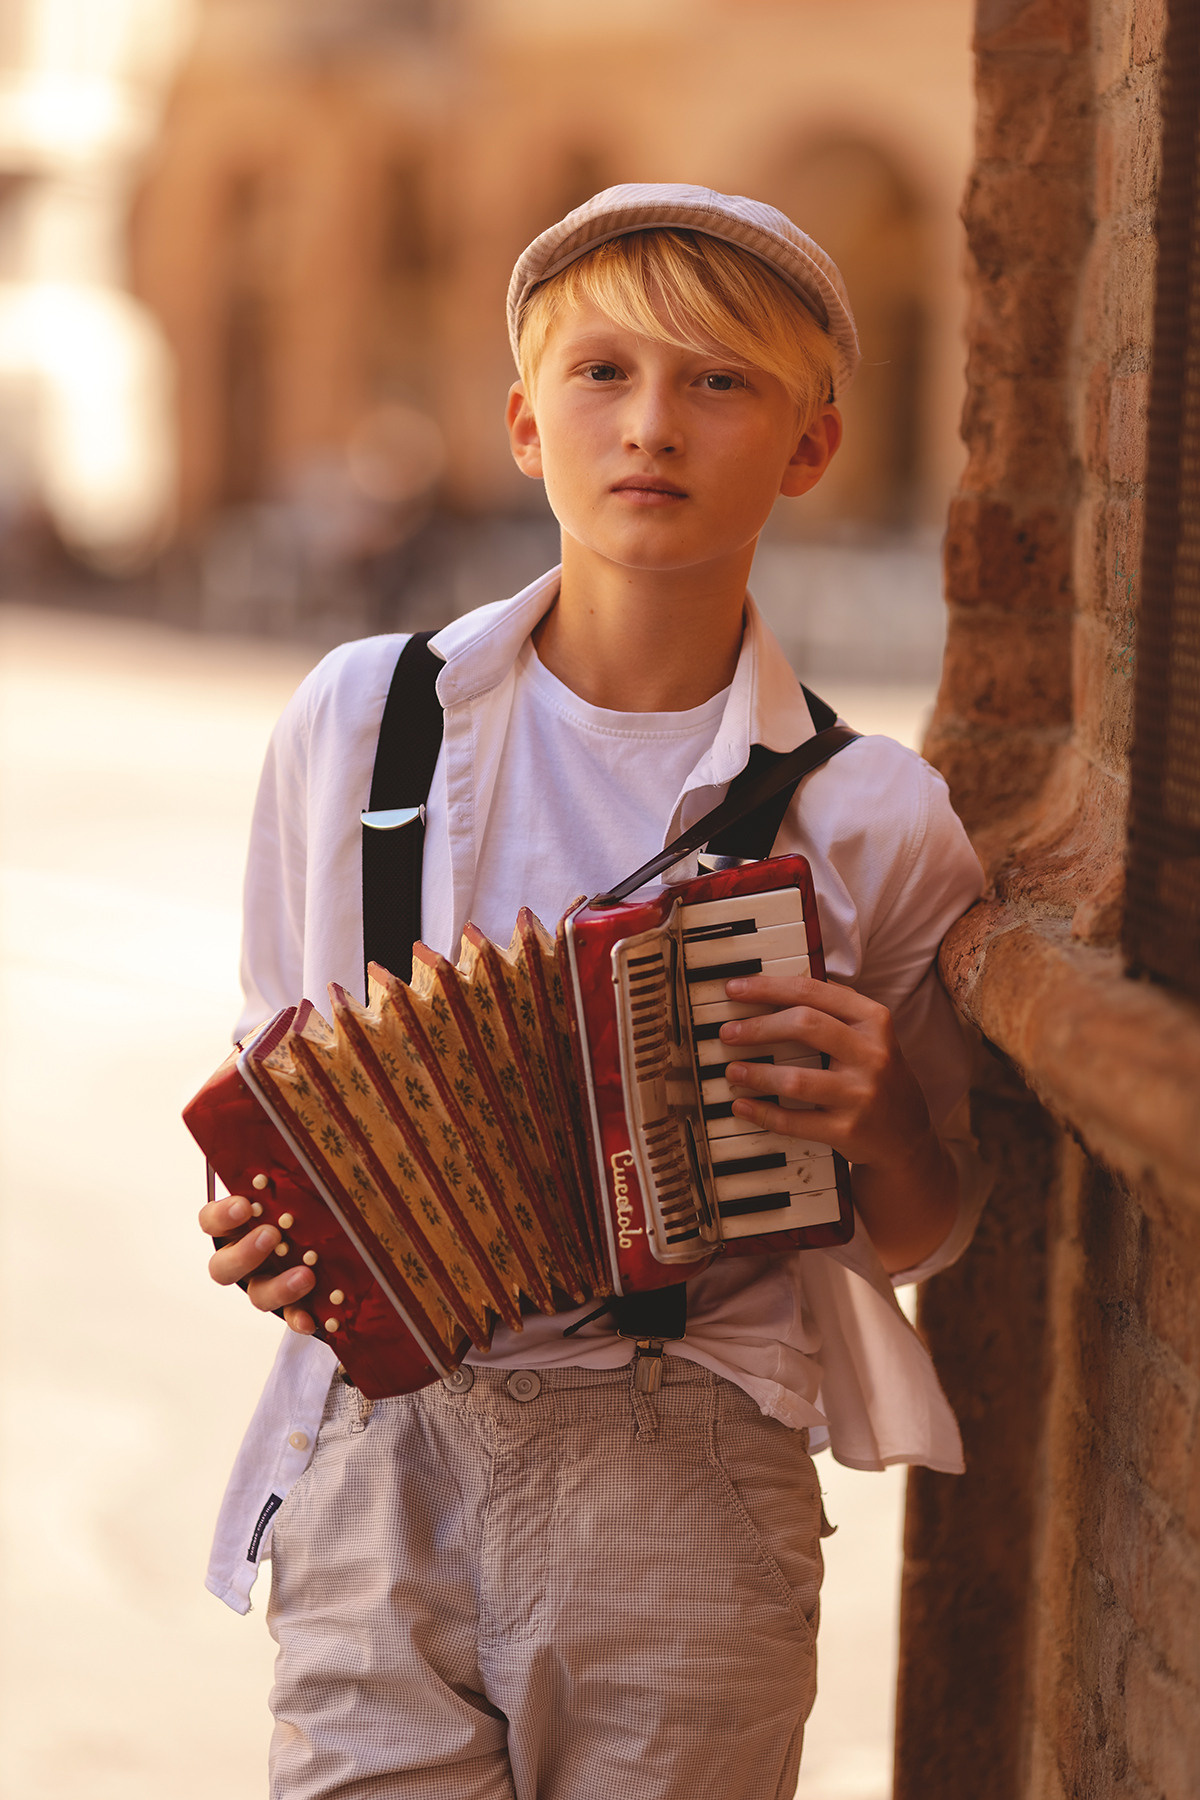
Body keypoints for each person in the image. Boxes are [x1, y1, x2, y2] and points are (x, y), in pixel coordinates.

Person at [199, 184, 986, 1800]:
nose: (652, 426)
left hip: (689, 1476)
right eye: (603, 375)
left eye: (721, 382)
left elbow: (925, 1234)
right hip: (382, 1449)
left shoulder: (873, 815)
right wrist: (264, 1224)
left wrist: (884, 1119)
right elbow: (284, 1078)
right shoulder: (358, 724)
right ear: (522, 422)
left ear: (810, 447)